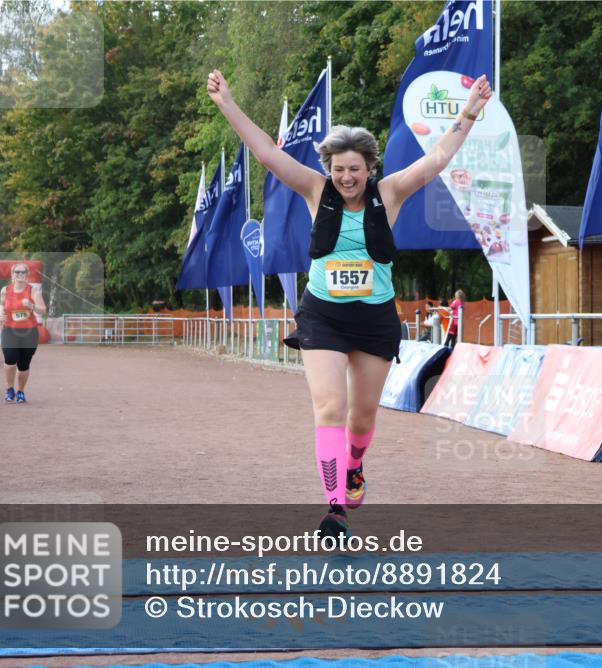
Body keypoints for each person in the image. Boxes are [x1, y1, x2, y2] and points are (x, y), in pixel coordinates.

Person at [206, 68, 492, 536]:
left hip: (374, 319)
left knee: (361, 417)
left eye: (354, 169)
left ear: (369, 169)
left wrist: (468, 113)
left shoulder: (391, 192)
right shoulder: (315, 190)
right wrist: (227, 104)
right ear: (329, 170)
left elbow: (438, 158)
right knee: (329, 409)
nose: (346, 177)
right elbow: (266, 153)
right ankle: (334, 506)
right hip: (323, 316)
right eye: (338, 169)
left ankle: (355, 463)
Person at [0, 263, 46, 403]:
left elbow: (43, 310)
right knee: (10, 358)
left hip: (29, 332)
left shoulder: (33, 291)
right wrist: (1, 313)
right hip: (9, 330)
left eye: (23, 272)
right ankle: (9, 389)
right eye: (17, 272)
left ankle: (20, 391)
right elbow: (2, 304)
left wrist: (31, 306)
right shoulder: (5, 290)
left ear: (27, 275)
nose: (20, 275)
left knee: (24, 365)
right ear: (12, 275)